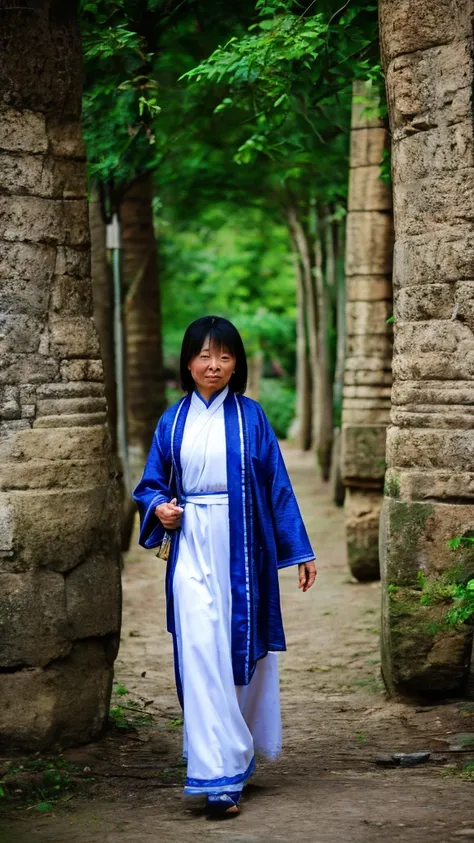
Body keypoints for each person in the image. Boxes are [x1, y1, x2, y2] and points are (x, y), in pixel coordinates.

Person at [133, 315, 316, 818]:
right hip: (191, 542)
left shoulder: (252, 417)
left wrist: (298, 550)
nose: (213, 365)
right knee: (197, 645)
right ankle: (216, 773)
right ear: (187, 362)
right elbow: (150, 484)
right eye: (204, 356)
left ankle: (229, 762)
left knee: (234, 648)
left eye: (225, 356)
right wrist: (159, 509)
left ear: (237, 365)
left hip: (241, 548)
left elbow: (277, 484)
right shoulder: (172, 422)